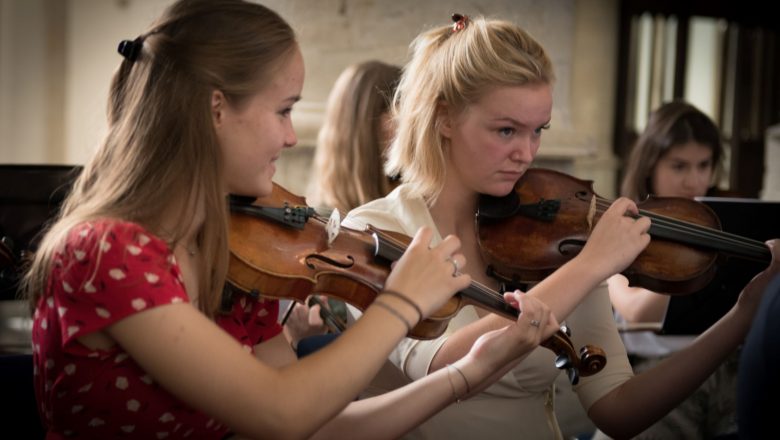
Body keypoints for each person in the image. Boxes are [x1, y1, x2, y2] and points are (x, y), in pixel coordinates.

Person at [20, 2, 562, 438]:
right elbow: (277, 412)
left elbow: (320, 426)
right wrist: (399, 303)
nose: (292, 136)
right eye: (283, 109)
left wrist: (468, 373)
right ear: (215, 111)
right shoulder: (106, 251)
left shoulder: (229, 252)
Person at [341, 14, 780, 440]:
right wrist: (591, 265)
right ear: (445, 118)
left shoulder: (551, 237)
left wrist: (742, 318)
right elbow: (439, 366)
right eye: (507, 130)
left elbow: (619, 409)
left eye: (539, 130)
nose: (527, 152)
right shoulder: (374, 230)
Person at [598, 101, 752, 439]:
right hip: (658, 372)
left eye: (704, 165)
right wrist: (696, 255)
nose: (693, 181)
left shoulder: (730, 222)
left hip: (734, 368)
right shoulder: (619, 227)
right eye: (679, 166)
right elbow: (638, 310)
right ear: (650, 166)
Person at [283, 60, 403, 355]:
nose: (415, 126)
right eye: (400, 110)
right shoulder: (320, 232)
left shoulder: (407, 207)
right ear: (367, 123)